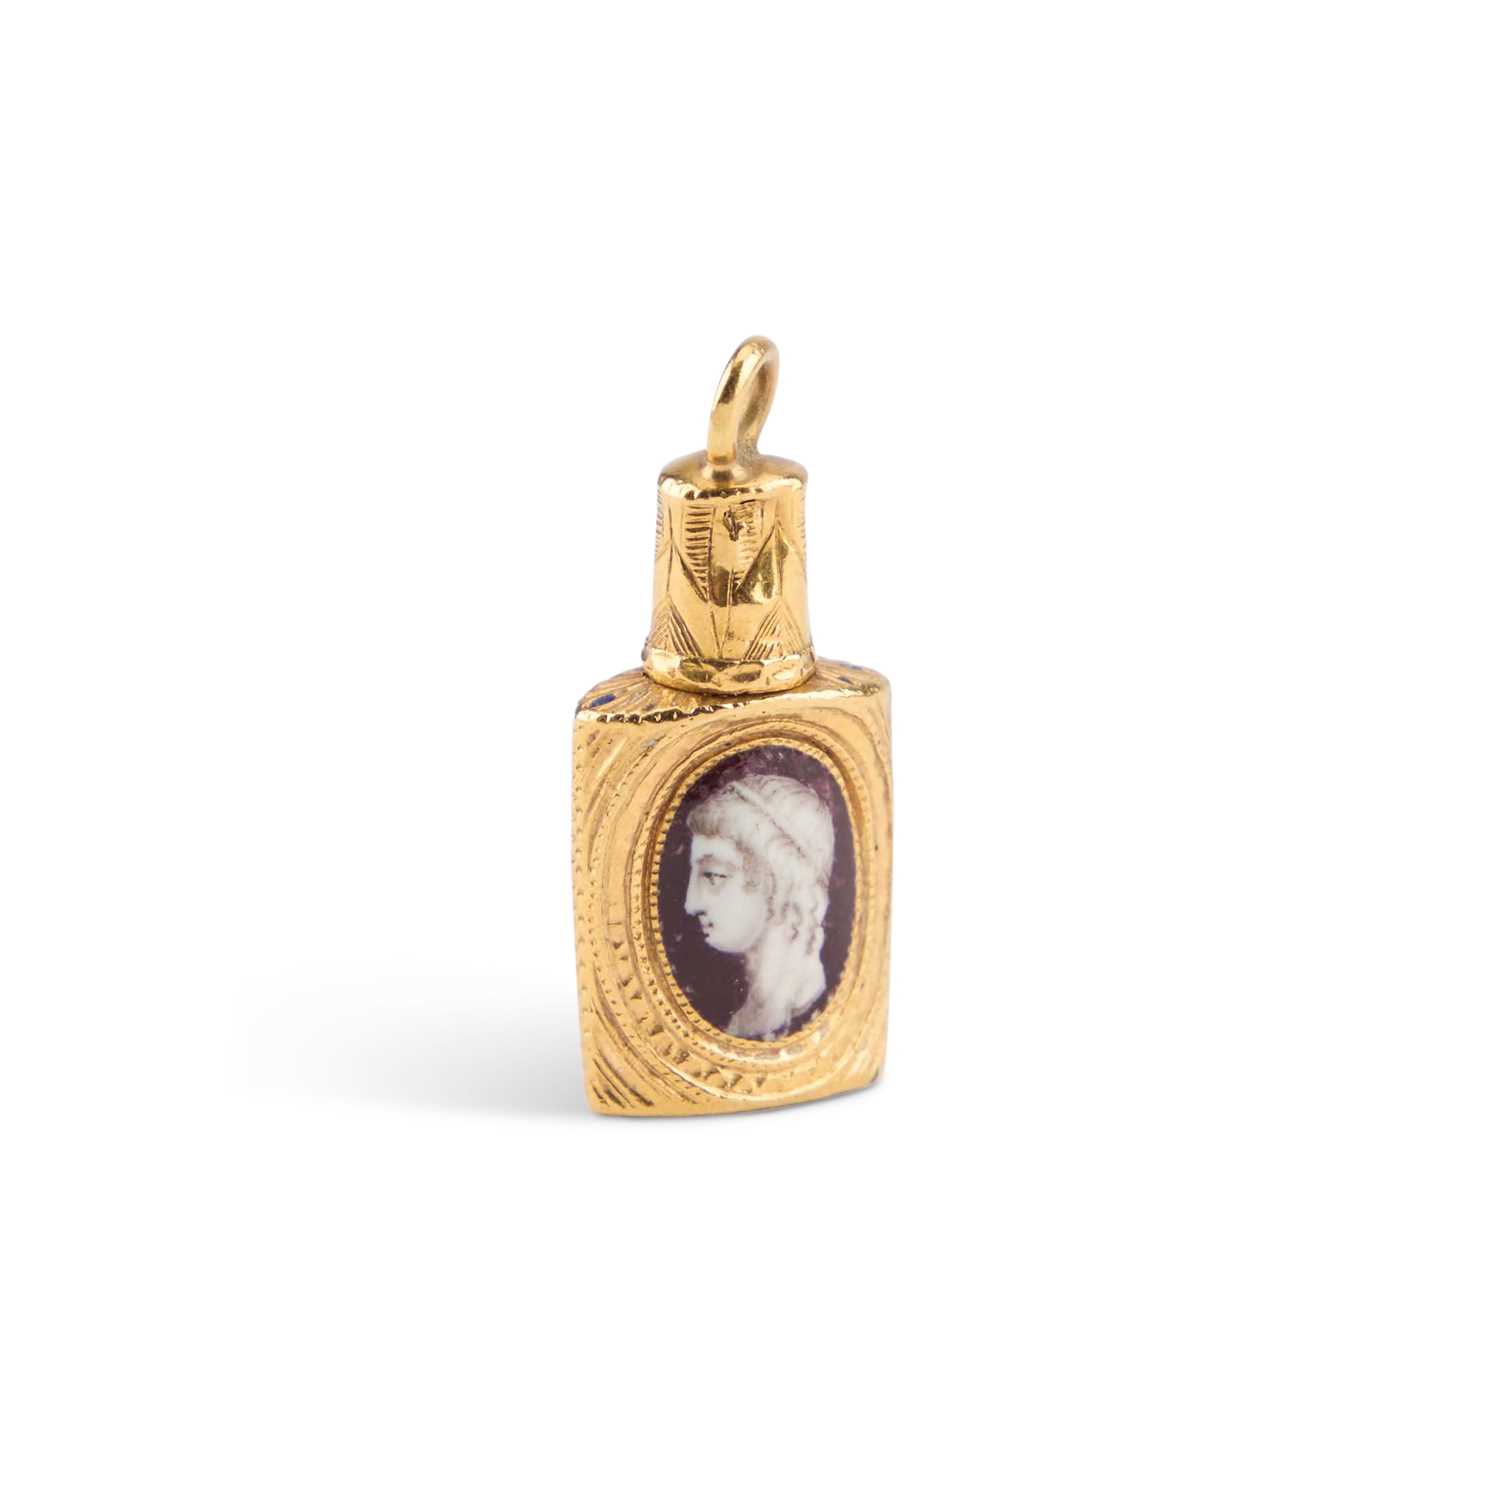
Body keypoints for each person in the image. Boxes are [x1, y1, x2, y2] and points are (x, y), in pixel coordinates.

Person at [684, 771, 836, 1039]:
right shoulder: (745, 1017)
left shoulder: (823, 1012)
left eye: (714, 876)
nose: (691, 904)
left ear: (781, 882)